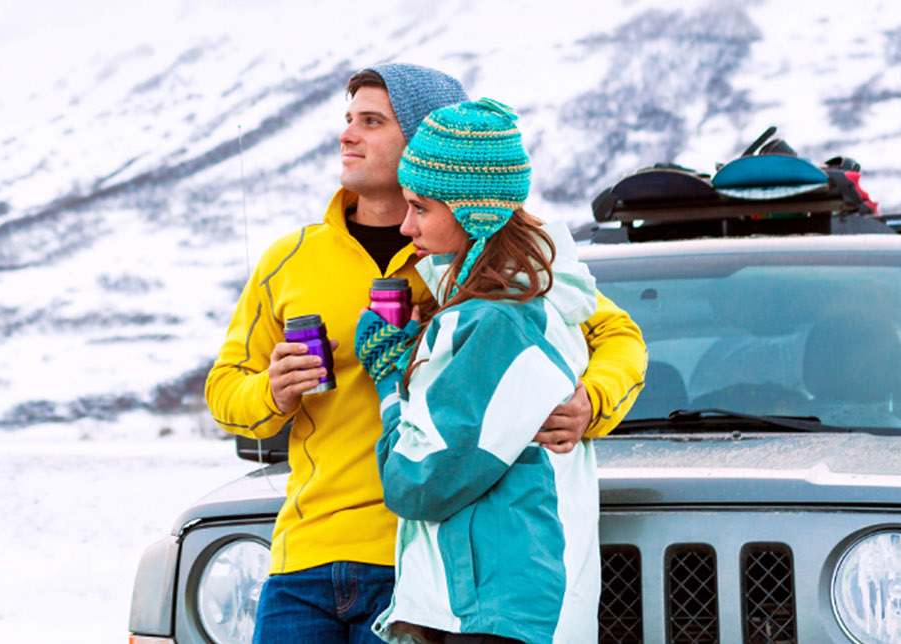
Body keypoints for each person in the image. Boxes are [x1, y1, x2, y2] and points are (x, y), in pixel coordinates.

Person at [205, 64, 646, 643]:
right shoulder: (292, 259)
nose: (348, 135)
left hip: (422, 562)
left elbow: (615, 337)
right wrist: (272, 389)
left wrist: (591, 401)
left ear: (420, 138)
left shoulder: (487, 259)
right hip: (304, 554)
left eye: (371, 121)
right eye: (348, 120)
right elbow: (224, 390)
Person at [355, 98, 600, 643]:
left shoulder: (495, 323)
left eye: (420, 208)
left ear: (475, 214)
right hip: (497, 603)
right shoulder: (517, 308)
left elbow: (420, 481)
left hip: (497, 611)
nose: (404, 225)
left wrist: (391, 384)